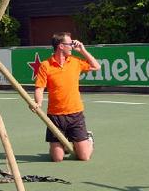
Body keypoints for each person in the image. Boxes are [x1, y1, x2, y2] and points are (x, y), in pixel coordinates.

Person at [33, 32, 100, 162]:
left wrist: (83, 50)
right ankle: (61, 145)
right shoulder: (46, 65)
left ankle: (88, 138)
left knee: (84, 157)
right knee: (57, 158)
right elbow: (39, 87)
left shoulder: (75, 62)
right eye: (70, 44)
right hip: (55, 116)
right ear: (61, 46)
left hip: (75, 114)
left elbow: (96, 66)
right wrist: (38, 103)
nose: (72, 46)